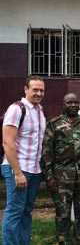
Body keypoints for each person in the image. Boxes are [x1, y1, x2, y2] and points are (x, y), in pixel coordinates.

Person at [42, 92, 80, 245]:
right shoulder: (54, 124)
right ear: (63, 104)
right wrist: (49, 177)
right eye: (69, 102)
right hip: (61, 178)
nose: (73, 105)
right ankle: (62, 240)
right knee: (62, 213)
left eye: (76, 102)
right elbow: (46, 153)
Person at [1, 76, 46, 245]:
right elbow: (8, 142)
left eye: (41, 90)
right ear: (26, 89)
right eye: (35, 89)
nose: (38, 93)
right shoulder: (16, 109)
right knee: (14, 211)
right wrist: (18, 173)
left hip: (34, 170)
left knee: (26, 211)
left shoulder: (39, 110)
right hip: (18, 168)